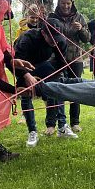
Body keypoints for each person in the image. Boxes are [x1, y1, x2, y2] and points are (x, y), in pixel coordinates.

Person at [14, 18, 78, 148]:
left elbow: (61, 63)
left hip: (43, 64)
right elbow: (15, 62)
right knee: (26, 92)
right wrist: (27, 75)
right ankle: (32, 131)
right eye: (51, 38)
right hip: (22, 64)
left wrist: (57, 77)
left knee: (58, 86)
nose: (55, 41)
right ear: (43, 33)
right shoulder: (28, 39)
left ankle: (62, 126)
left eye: (57, 37)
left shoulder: (60, 41)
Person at [0, 0, 34, 163]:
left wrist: (16, 63)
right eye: (2, 12)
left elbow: (5, 52)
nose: (4, 17)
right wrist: (14, 89)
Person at [48, 0, 91, 133]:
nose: (65, 6)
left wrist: (81, 30)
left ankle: (75, 122)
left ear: (72, 3)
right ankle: (51, 125)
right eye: (63, 3)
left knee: (75, 90)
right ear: (58, 2)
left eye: (68, 3)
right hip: (56, 59)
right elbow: (45, 35)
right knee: (54, 89)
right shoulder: (52, 17)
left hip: (75, 59)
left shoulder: (80, 17)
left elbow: (87, 39)